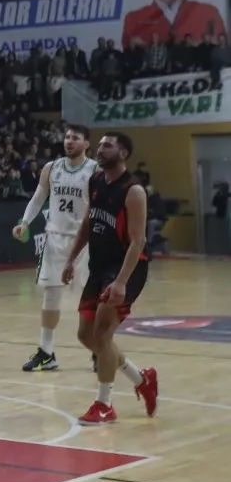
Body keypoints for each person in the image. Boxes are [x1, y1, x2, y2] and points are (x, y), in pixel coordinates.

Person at [62, 131, 159, 425]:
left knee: (103, 334)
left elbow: (138, 241)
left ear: (123, 153)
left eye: (108, 145)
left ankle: (104, 405)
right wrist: (71, 258)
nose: (101, 149)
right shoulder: (95, 182)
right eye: (100, 145)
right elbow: (88, 223)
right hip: (99, 266)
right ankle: (141, 379)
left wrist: (120, 282)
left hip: (127, 269)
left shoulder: (133, 190)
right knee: (86, 335)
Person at [13, 123, 94, 372]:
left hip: (85, 241)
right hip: (55, 239)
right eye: (67, 137)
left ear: (86, 143)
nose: (69, 141)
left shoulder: (95, 170)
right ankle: (46, 353)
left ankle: (99, 349)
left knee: (91, 298)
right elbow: (38, 198)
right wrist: (24, 222)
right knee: (51, 295)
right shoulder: (51, 168)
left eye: (75, 138)